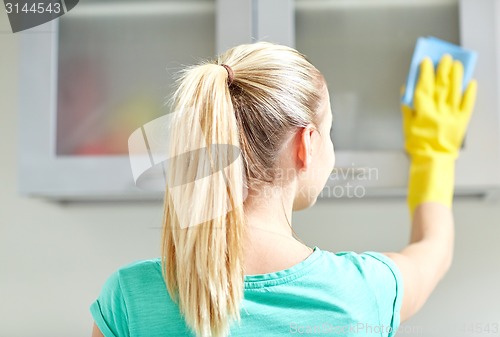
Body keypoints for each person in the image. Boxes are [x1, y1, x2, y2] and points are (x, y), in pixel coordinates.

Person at [90, 42, 477, 337]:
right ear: (304, 145)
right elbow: (433, 251)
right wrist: (434, 154)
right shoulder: (359, 292)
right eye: (329, 133)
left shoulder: (128, 298)